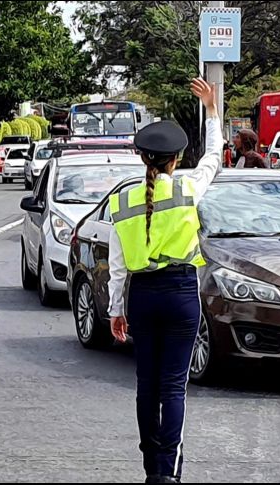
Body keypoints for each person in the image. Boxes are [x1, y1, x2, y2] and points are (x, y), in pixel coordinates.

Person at [108, 78, 222, 484]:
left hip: (142, 296)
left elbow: (118, 266)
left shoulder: (122, 200)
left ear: (143, 159)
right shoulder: (188, 188)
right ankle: (167, 473)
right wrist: (210, 110)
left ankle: (150, 467)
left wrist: (116, 310)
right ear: (176, 159)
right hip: (180, 294)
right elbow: (213, 157)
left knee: (147, 386)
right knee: (174, 387)